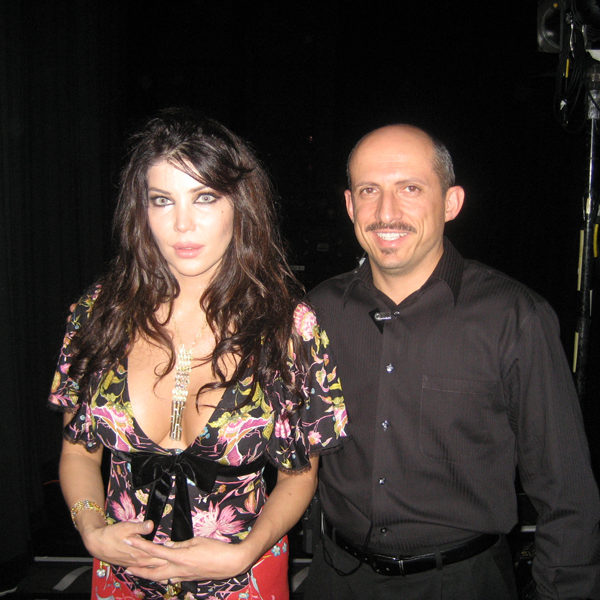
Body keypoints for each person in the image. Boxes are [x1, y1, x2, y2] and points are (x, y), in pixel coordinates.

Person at [48, 108, 347, 600]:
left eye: (204, 197)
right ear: (141, 210)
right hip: (124, 578)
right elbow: (78, 452)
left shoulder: (288, 327)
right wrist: (91, 528)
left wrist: (245, 551)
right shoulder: (97, 315)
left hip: (243, 578)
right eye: (162, 200)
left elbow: (299, 476)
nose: (182, 224)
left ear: (239, 204)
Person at [303, 124, 600, 600]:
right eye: (369, 190)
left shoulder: (514, 317)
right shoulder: (318, 312)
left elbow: (566, 492)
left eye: (410, 189)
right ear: (350, 205)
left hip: (464, 583)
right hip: (336, 577)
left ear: (451, 203)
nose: (386, 212)